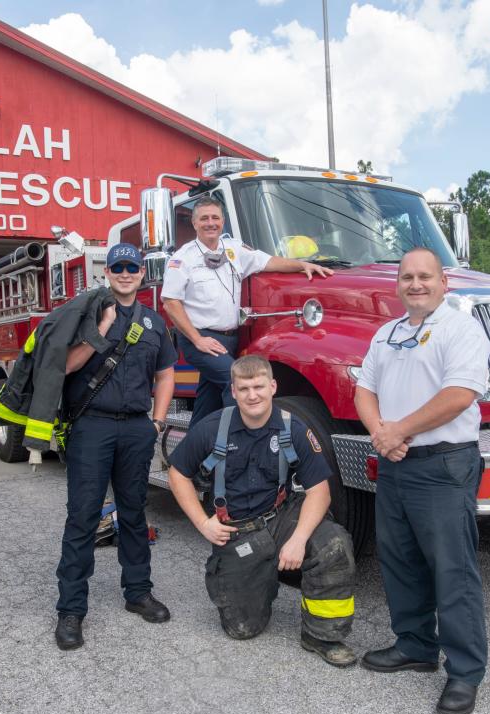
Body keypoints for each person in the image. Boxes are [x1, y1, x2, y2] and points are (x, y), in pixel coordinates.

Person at [354, 248, 490, 714]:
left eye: (425, 277)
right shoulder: (387, 333)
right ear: (397, 285)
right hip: (394, 462)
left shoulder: (461, 329)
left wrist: (399, 430)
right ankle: (414, 645)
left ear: (443, 283)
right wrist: (380, 434)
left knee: (452, 570)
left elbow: (459, 394)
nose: (416, 284)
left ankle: (465, 671)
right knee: (401, 560)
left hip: (443, 464)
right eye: (407, 277)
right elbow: (363, 389)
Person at [166, 355, 357, 667]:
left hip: (279, 515)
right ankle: (258, 575)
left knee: (333, 543)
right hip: (238, 527)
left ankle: (322, 636)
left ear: (272, 386)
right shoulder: (212, 428)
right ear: (234, 391)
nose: (252, 395)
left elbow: (319, 492)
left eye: (258, 386)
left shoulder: (292, 428)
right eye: (244, 388)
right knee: (243, 628)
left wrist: (298, 539)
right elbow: (178, 473)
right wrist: (202, 523)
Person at [54, 243, 177, 650]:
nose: (126, 273)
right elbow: (67, 365)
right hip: (92, 427)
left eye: (133, 267)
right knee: (83, 516)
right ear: (107, 272)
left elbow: (165, 375)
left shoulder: (155, 322)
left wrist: (157, 422)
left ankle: (138, 592)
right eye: (118, 267)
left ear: (143, 274)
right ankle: (71, 610)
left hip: (136, 430)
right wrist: (103, 329)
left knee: (133, 513)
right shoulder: (87, 313)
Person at [161, 196, 333, 427]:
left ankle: (193, 452)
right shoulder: (183, 258)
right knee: (236, 383)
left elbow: (268, 262)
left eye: (215, 218)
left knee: (207, 401)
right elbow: (170, 302)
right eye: (204, 219)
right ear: (194, 224)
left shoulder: (234, 249)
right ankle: (235, 445)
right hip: (200, 339)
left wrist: (302, 265)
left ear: (223, 221)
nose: (210, 223)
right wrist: (198, 340)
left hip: (230, 338)